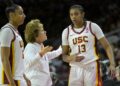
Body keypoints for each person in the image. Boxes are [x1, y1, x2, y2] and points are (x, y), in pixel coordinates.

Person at [62, 5, 116, 86]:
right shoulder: (66, 32)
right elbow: (64, 56)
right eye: (71, 14)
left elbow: (107, 46)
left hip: (91, 66)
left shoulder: (92, 26)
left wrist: (112, 64)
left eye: (76, 14)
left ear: (83, 14)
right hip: (75, 68)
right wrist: (70, 58)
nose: (73, 17)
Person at [24, 19, 62, 86]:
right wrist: (41, 53)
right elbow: (29, 63)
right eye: (42, 30)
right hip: (34, 82)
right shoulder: (30, 46)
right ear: (35, 35)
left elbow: (47, 56)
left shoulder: (39, 45)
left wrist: (60, 50)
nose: (45, 32)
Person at [0, 4, 27, 86]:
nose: (24, 16)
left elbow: (19, 60)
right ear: (11, 15)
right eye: (20, 13)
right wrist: (11, 82)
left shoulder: (16, 32)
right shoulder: (7, 31)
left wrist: (25, 77)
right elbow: (4, 58)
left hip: (18, 78)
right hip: (10, 80)